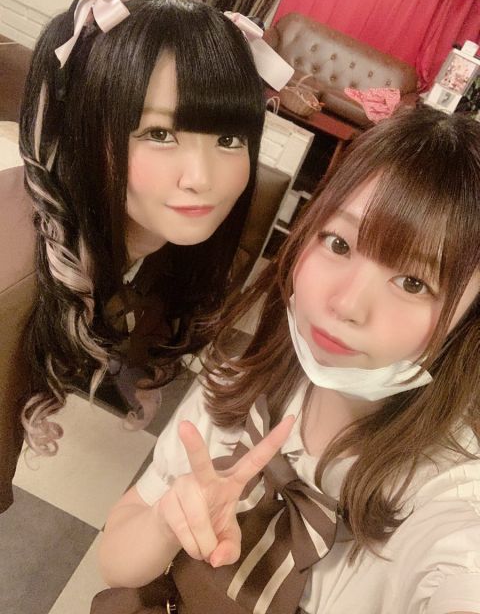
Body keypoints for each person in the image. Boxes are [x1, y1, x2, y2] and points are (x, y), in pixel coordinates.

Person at [93, 106, 480, 614]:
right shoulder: (241, 378)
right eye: (339, 243)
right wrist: (166, 522)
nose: (346, 303)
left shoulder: (449, 503)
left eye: (413, 282)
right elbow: (115, 562)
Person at [16, 0, 293, 457]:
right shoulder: (16, 281)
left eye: (229, 139)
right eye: (160, 133)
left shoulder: (158, 249)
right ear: (88, 130)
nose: (201, 178)